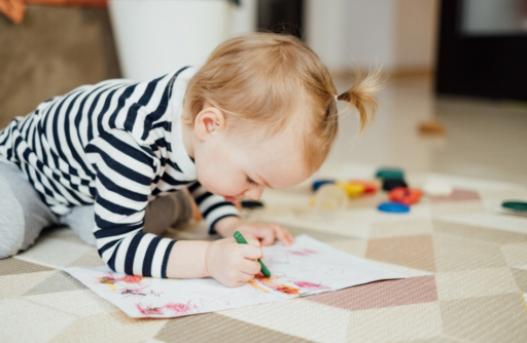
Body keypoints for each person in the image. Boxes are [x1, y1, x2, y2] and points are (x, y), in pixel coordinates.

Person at [0, 32, 377, 287]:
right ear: (209, 124)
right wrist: (209, 258)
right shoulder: (133, 137)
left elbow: (202, 170)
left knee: (162, 214)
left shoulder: (204, 126)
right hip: (28, 172)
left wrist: (229, 224)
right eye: (252, 178)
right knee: (9, 229)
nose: (254, 193)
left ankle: (100, 210)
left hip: (84, 187)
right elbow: (116, 251)